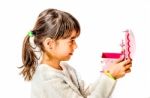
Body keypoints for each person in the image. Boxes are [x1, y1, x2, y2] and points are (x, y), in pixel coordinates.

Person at [19, 8, 132, 98]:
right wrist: (110, 77)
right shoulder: (48, 79)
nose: (76, 46)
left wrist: (109, 73)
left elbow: (85, 93)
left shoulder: (65, 68)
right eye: (71, 41)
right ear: (50, 44)